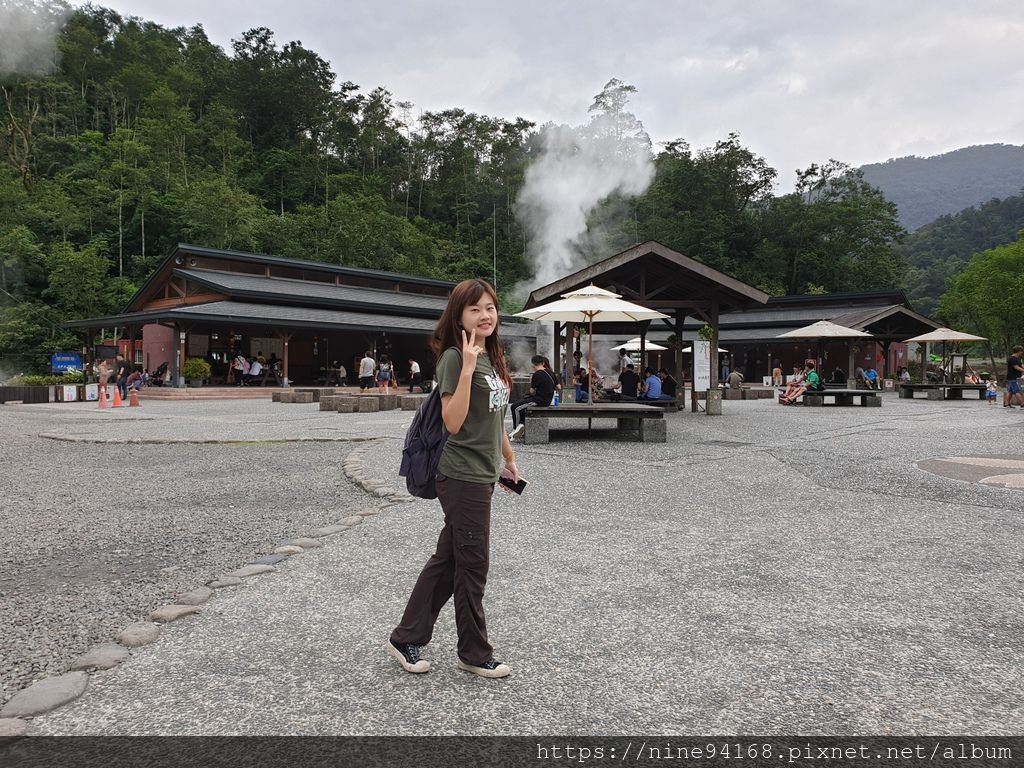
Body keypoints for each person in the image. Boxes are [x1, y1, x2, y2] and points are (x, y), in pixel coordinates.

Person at [387, 278, 515, 680]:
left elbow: (494, 419)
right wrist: (468, 369)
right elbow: (454, 422)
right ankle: (474, 653)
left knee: (451, 558)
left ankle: (406, 636)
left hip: (483, 473)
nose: (485, 315)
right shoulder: (456, 359)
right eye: (475, 309)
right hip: (460, 476)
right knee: (474, 564)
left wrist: (509, 459)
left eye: (490, 308)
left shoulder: (493, 357)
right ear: (458, 315)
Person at [508, 354, 556, 440]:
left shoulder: (537, 374)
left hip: (540, 400)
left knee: (515, 407)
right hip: (547, 400)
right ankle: (521, 427)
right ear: (543, 362)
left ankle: (516, 429)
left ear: (533, 364)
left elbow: (532, 392)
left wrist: (532, 382)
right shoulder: (550, 372)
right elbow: (558, 386)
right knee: (521, 405)